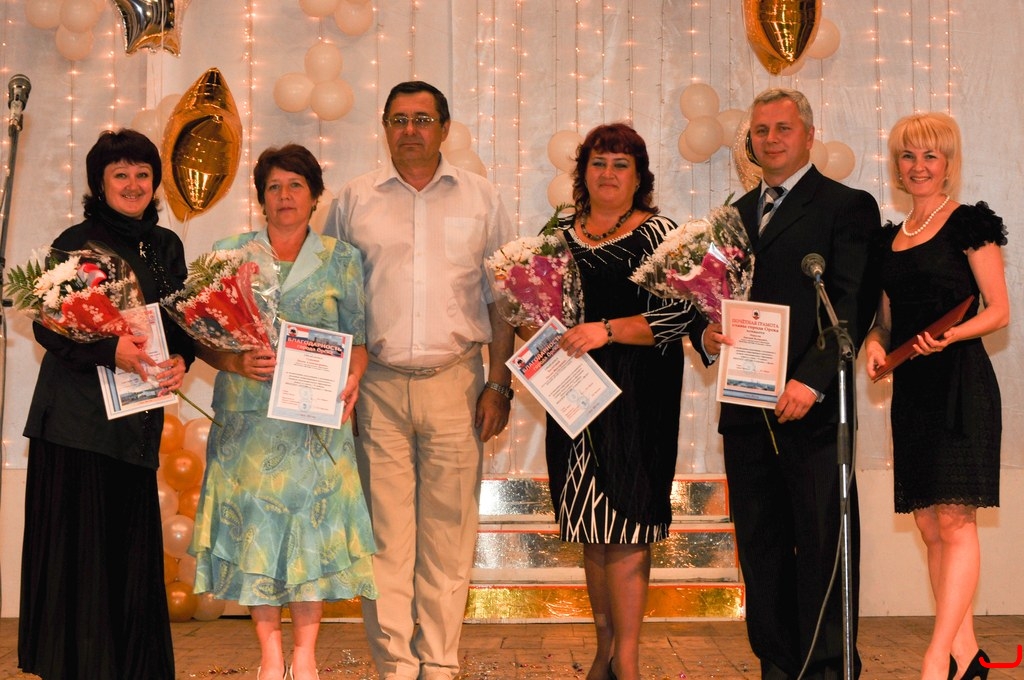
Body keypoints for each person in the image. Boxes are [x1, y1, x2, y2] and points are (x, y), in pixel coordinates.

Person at [324, 80, 516, 680]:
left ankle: (439, 662)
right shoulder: (354, 200)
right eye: (399, 119)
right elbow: (331, 299)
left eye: (423, 119)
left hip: (457, 385)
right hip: (376, 387)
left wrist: (499, 383)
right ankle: (396, 666)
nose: (410, 130)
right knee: (384, 538)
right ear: (384, 127)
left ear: (445, 128)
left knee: (448, 535)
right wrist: (339, 385)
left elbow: (503, 299)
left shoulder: (481, 198)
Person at [190, 144, 377, 680]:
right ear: (261, 199)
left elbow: (359, 340)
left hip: (316, 421)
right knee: (258, 533)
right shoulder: (229, 254)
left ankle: (305, 655)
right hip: (248, 421)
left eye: (296, 185)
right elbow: (200, 337)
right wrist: (234, 360)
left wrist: (354, 377)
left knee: (310, 534)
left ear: (315, 196)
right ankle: (270, 656)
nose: (285, 196)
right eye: (274, 187)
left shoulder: (342, 258)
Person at [712, 88, 881, 679]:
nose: (772, 139)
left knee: (822, 545)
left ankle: (828, 669)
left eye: (783, 128)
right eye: (761, 130)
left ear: (809, 135)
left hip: (813, 410)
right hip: (746, 410)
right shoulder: (733, 215)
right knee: (760, 550)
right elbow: (718, 302)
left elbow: (851, 301)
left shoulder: (846, 206)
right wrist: (707, 334)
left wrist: (811, 381)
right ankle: (777, 667)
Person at [540, 122, 717, 680]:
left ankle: (630, 661)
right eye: (598, 162)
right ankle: (605, 653)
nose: (608, 173)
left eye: (621, 164)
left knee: (628, 528)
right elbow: (537, 307)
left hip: (639, 398)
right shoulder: (557, 234)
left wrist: (608, 330)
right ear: (582, 172)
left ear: (639, 176)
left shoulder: (661, 233)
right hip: (573, 397)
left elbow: (685, 314)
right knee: (591, 531)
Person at [18, 128, 194, 679]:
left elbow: (182, 323)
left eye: (143, 173)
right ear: (100, 182)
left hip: (135, 422)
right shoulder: (76, 244)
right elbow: (48, 327)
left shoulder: (166, 246)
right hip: (77, 425)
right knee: (82, 558)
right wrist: (108, 349)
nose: (133, 184)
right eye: (121, 174)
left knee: (128, 555)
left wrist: (183, 359)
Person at [864, 113, 1008, 680]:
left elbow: (999, 311)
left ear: (948, 163)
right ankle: (967, 657)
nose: (918, 166)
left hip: (961, 385)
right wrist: (875, 346)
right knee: (929, 527)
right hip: (913, 390)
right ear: (896, 165)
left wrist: (951, 335)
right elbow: (883, 322)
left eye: (930, 155)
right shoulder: (887, 239)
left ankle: (935, 657)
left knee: (955, 521)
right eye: (908, 155)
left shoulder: (969, 223)